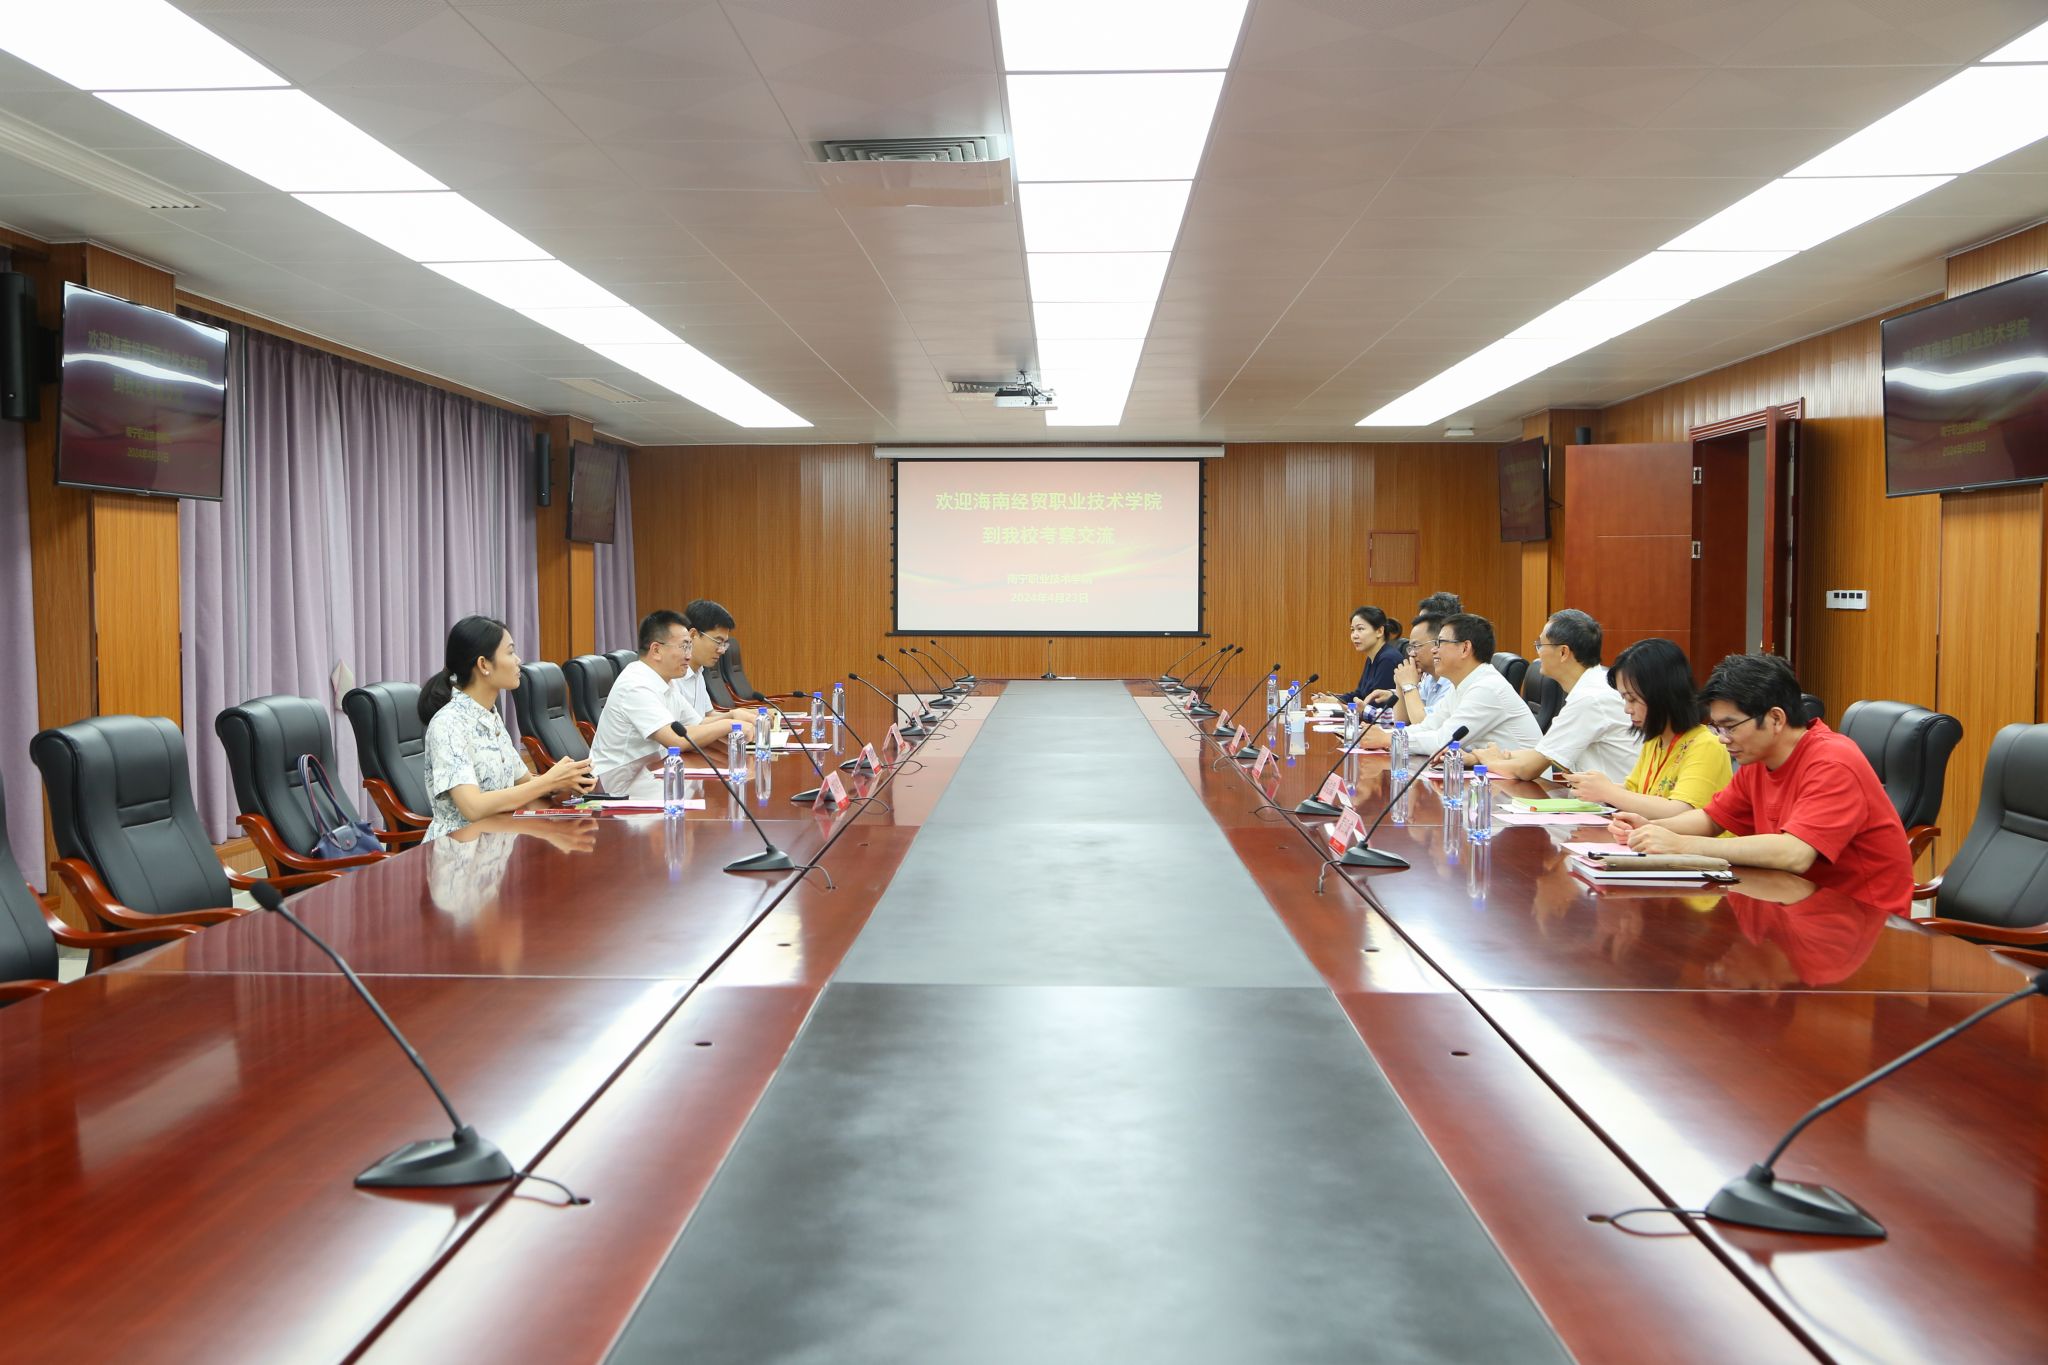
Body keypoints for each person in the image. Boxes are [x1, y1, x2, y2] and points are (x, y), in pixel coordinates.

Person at [1609, 654, 1915, 914]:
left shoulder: (1833, 762)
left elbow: (1794, 854)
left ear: (1776, 719)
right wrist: (1651, 827)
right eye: (1717, 727)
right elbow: (1712, 819)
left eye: (1730, 727)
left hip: (1858, 920)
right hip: (1790, 904)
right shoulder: (1757, 758)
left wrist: (1682, 845)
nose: (1723, 739)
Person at [419, 614, 592, 841]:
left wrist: (564, 780)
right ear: (484, 665)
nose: (518, 660)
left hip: (497, 844)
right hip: (458, 850)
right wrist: (548, 781)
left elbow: (524, 782)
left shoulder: (491, 716)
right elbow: (473, 807)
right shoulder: (448, 723)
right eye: (510, 652)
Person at [1559, 637, 1731, 817]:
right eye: (1625, 699)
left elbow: (1681, 810)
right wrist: (1593, 788)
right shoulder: (1655, 741)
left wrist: (1608, 792)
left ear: (1662, 694)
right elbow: (1635, 791)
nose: (1627, 709)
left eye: (1632, 699)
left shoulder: (1706, 745)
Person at [588, 608, 759, 788]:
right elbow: (676, 739)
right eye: (684, 647)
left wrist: (733, 716)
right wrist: (729, 724)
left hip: (650, 774)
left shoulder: (666, 681)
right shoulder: (636, 685)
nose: (689, 655)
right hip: (616, 787)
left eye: (690, 647)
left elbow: (697, 724)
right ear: (656, 650)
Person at [1470, 609, 1640, 782]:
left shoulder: (1591, 698)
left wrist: (1488, 761)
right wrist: (1486, 756)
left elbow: (1527, 769)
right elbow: (1543, 752)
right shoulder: (1591, 687)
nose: (1538, 652)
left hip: (1612, 797)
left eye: (1541, 645)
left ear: (1563, 652)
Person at [1361, 612, 1541, 755]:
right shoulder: (1462, 684)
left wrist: (1388, 739)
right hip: (1497, 777)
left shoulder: (1487, 688)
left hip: (1529, 786)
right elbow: (1429, 726)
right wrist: (1384, 735)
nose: (1434, 650)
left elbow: (1443, 741)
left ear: (1465, 648)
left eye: (1440, 643)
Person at [1367, 608, 1454, 725]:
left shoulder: (1451, 683)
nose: (1412, 654)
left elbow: (1424, 724)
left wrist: (1408, 685)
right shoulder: (1429, 680)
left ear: (1437, 644)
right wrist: (1400, 683)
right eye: (1410, 647)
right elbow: (1402, 721)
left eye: (1416, 646)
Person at [1313, 605, 1401, 708]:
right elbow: (1360, 694)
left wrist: (1345, 707)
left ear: (1379, 631)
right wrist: (1335, 700)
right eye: (1352, 630)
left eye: (1360, 629)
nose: (1354, 635)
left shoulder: (1388, 660)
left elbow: (1376, 704)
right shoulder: (1372, 658)